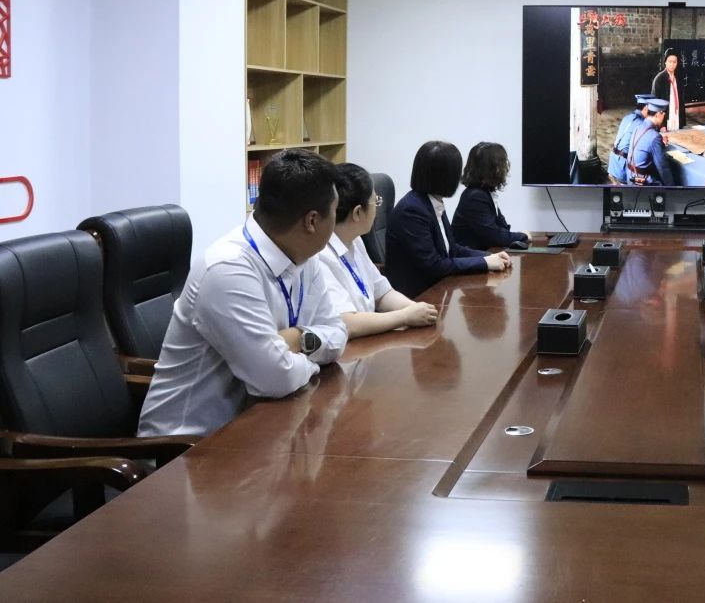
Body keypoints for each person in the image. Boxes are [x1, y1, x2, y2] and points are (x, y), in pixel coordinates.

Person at [138, 150, 349, 437]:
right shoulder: (228, 269)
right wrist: (309, 360)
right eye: (334, 212)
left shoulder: (304, 257)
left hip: (260, 427)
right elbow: (275, 378)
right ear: (311, 221)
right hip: (188, 446)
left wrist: (298, 339)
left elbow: (337, 334)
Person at [317, 163, 441, 339]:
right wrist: (405, 316)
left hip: (367, 341)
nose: (377, 208)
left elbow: (382, 293)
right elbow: (347, 323)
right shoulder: (320, 255)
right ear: (357, 213)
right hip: (347, 348)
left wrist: (415, 309)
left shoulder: (355, 240)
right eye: (375, 202)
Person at [385, 140, 512, 297]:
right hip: (417, 297)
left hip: (438, 289)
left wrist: (488, 256)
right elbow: (434, 266)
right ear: (445, 176)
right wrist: (484, 263)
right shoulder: (412, 210)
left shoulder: (432, 202)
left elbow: (453, 249)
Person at [453, 142, 530, 250]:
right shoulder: (476, 197)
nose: (505, 169)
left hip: (484, 253)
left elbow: (503, 228)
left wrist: (516, 236)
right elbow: (494, 236)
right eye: (502, 164)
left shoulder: (485, 193)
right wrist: (523, 236)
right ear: (491, 168)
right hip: (471, 257)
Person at [626, 97, 674, 185]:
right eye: (664, 115)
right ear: (659, 114)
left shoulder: (638, 127)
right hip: (641, 182)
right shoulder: (654, 136)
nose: (664, 118)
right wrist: (672, 187)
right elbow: (662, 167)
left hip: (630, 176)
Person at [608, 94, 651, 184]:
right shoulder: (641, 124)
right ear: (646, 108)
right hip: (622, 170)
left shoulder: (627, 117)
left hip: (612, 166)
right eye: (652, 109)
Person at [650, 48, 683, 130]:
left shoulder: (678, 78)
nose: (672, 64)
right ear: (665, 62)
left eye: (674, 62)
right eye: (670, 61)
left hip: (676, 114)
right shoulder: (659, 79)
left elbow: (681, 101)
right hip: (666, 115)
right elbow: (655, 102)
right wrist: (661, 124)